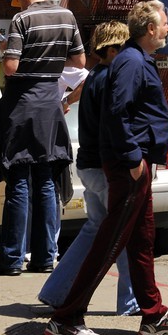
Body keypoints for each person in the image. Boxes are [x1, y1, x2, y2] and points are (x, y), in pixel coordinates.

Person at [44, 0, 168, 335]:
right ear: (151, 29)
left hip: (137, 166)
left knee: (142, 241)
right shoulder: (130, 62)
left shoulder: (136, 60)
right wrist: (132, 159)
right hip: (129, 167)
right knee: (109, 242)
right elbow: (117, 110)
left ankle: (153, 315)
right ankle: (66, 317)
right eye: (165, 23)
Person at [0, 0, 85, 277]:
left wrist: (6, 49)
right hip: (51, 105)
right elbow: (80, 62)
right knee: (46, 179)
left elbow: (10, 67)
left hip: (23, 105)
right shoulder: (67, 15)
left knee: (19, 180)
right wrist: (49, 63)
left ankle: (11, 260)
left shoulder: (21, 20)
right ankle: (45, 258)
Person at [38, 22, 139, 318]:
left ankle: (55, 291)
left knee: (95, 229)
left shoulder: (95, 76)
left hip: (89, 165)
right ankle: (131, 301)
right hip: (105, 167)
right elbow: (116, 123)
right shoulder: (111, 78)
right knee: (124, 233)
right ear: (111, 50)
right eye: (124, 48)